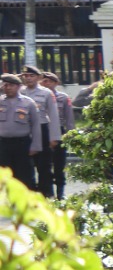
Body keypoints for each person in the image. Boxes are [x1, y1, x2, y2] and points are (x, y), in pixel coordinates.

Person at [17, 66, 59, 194]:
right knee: (24, 165)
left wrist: (54, 137)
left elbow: (53, 115)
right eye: (26, 76)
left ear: (39, 77)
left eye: (32, 76)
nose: (28, 78)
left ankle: (45, 194)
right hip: (24, 131)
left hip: (42, 129)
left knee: (43, 165)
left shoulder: (46, 93)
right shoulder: (20, 92)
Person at [0, 72, 43, 190]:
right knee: (4, 176)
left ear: (19, 86)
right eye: (5, 85)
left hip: (22, 144)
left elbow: (35, 125)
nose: (7, 88)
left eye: (11, 85)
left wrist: (36, 145)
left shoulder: (28, 103)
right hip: (3, 144)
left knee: (25, 175)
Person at [39, 72, 74, 200]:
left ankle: (60, 192)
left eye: (49, 81)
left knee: (59, 165)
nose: (46, 84)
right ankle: (48, 192)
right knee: (44, 165)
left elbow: (69, 119)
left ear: (56, 83)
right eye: (43, 81)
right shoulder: (38, 96)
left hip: (59, 132)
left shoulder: (63, 98)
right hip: (43, 131)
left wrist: (71, 135)